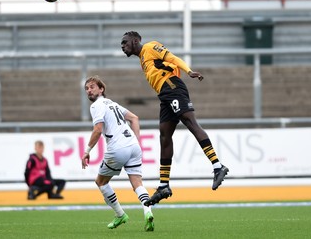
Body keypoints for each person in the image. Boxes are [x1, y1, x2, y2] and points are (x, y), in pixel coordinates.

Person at [121, 31, 229, 206]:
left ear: (135, 41)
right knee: (164, 136)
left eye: (125, 43)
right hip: (164, 95)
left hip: (172, 87)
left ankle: (218, 166)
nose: (123, 46)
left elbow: (172, 58)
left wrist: (189, 71)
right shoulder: (142, 59)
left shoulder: (149, 47)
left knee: (190, 122)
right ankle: (164, 185)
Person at [81, 75, 154, 232]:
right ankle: (148, 212)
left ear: (101, 89)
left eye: (92, 87)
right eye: (86, 88)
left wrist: (87, 151)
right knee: (137, 183)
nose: (89, 90)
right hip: (133, 147)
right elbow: (134, 118)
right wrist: (137, 142)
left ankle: (120, 214)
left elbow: (98, 129)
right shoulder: (113, 104)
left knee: (101, 182)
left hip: (118, 148)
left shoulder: (96, 106)